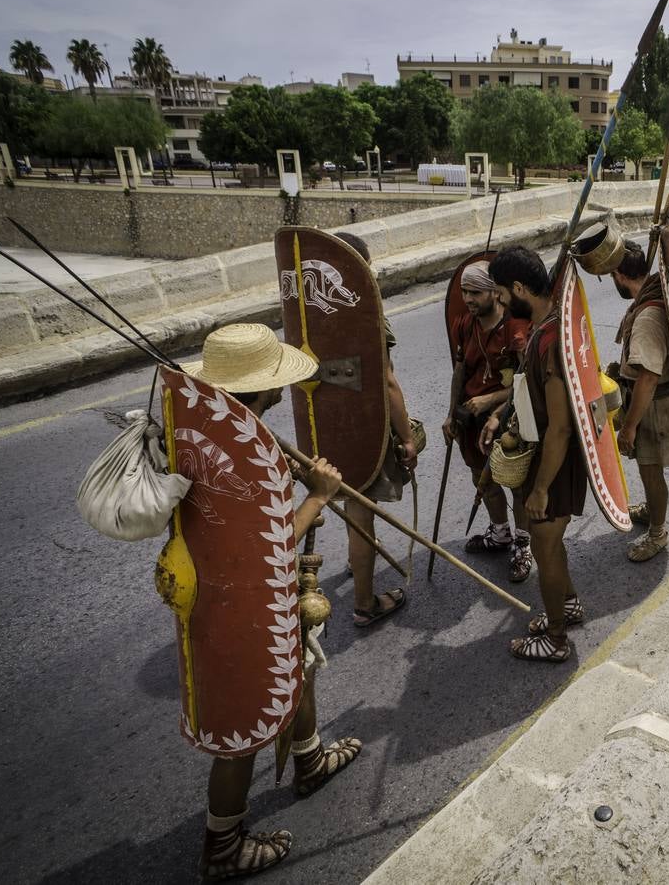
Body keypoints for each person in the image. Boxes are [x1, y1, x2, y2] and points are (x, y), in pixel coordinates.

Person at [181, 323, 361, 879]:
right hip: (245, 602)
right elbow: (272, 545)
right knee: (243, 724)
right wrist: (318, 495)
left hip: (231, 597)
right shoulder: (237, 458)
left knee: (300, 667)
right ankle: (223, 844)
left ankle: (307, 759)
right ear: (263, 389)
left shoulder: (203, 432)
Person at [482, 246, 588, 663]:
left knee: (545, 549)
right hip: (548, 454)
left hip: (554, 461)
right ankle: (570, 604)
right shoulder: (549, 325)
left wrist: (541, 487)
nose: (502, 304)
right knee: (552, 541)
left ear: (520, 288)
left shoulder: (550, 341)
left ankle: (557, 638)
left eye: (504, 295)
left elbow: (560, 424)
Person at [333, 232, 419, 628]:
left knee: (353, 506)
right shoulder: (365, 311)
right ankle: (365, 604)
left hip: (330, 428)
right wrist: (406, 438)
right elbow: (386, 381)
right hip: (363, 426)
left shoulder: (316, 310)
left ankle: (358, 563)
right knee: (361, 513)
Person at [444, 260, 534, 582]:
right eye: (465, 292)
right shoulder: (464, 324)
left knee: (517, 483)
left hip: (508, 418)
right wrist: (452, 411)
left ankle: (523, 543)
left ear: (495, 293)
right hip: (471, 417)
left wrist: (492, 401)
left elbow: (525, 381)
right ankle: (500, 533)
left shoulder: (516, 329)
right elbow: (460, 370)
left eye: (476, 292)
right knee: (482, 480)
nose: (468, 299)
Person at [608, 240, 669, 562]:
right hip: (653, 400)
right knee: (646, 470)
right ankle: (652, 511)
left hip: (655, 407)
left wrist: (628, 428)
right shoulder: (653, 291)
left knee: (651, 472)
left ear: (619, 274)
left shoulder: (647, 317)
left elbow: (648, 377)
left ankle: (657, 534)